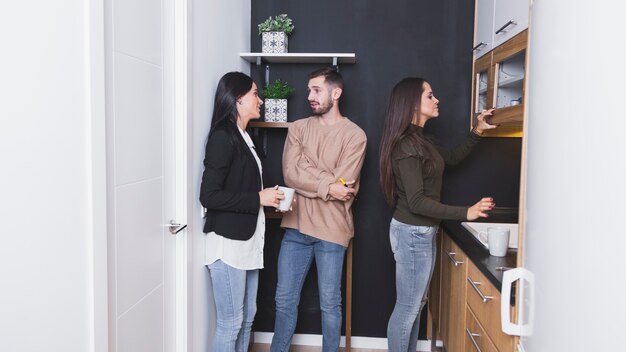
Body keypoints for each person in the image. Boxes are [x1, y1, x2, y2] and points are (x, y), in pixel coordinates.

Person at [378, 77, 496, 352]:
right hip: (412, 233)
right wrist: (466, 211)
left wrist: (477, 130)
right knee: (408, 308)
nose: (436, 99)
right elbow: (417, 202)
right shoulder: (406, 146)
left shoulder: (421, 140)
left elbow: (451, 158)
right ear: (412, 104)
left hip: (420, 232)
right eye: (429, 96)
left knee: (415, 304)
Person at [270, 68, 367, 352]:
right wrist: (327, 183)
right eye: (309, 90)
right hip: (296, 227)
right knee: (284, 300)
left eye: (316, 90)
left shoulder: (355, 136)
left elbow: (344, 184)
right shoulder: (298, 128)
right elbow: (291, 174)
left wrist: (310, 171)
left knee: (330, 304)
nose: (309, 96)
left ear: (335, 93)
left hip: (333, 230)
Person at [199, 71, 285, 352]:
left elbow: (244, 188)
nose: (260, 100)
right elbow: (209, 196)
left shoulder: (245, 137)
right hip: (228, 245)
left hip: (249, 244)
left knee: (247, 320)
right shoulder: (223, 137)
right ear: (237, 100)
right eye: (255, 94)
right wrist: (259, 197)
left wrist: (270, 198)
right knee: (231, 323)